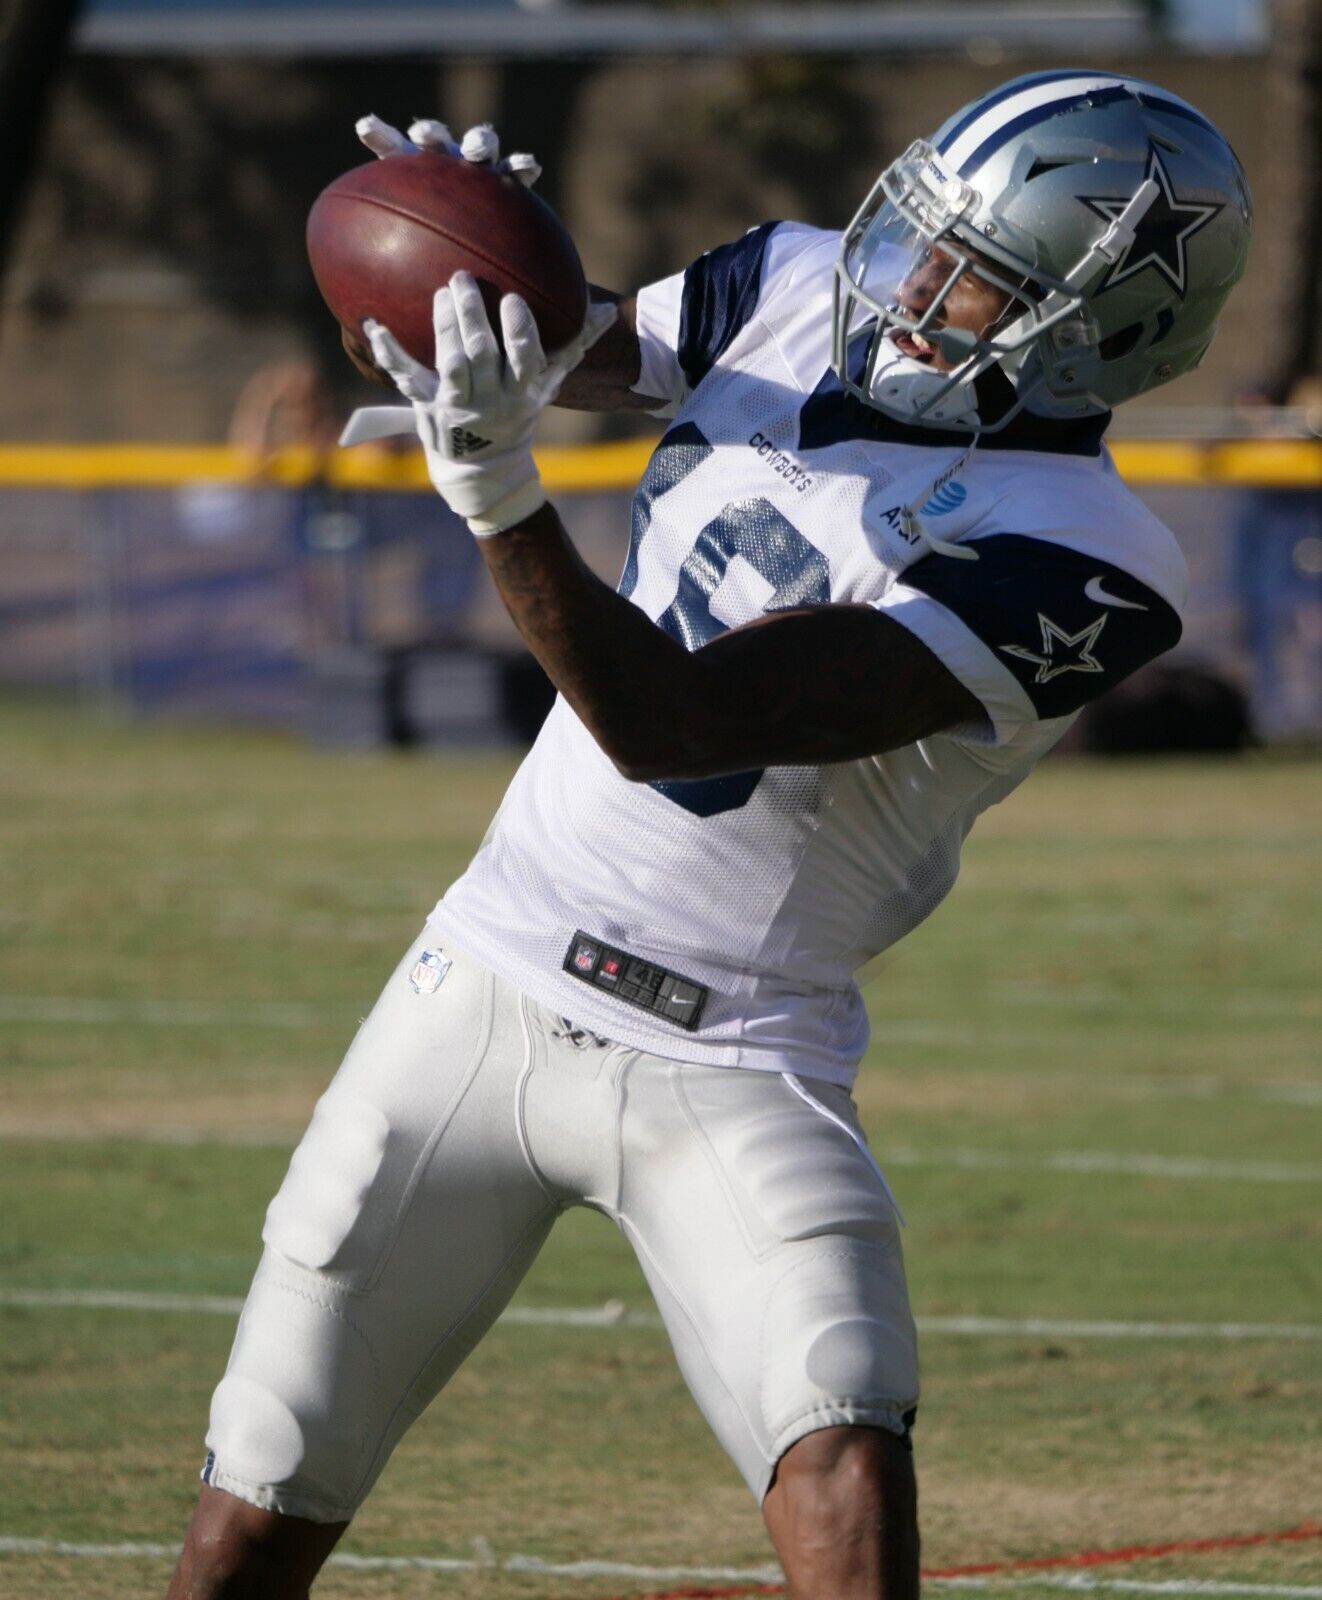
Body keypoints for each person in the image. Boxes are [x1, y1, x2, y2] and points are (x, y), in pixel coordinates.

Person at [166, 72, 1251, 1599]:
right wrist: (472, 275)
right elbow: (576, 348)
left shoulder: (1090, 562)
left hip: (735, 1046)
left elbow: (671, 720)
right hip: (483, 976)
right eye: (914, 236)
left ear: (1104, 336)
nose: (906, 287)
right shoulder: (793, 278)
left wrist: (488, 485)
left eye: (973, 278)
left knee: (844, 1456)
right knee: (259, 1493)